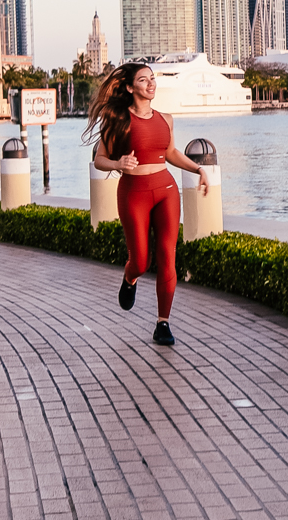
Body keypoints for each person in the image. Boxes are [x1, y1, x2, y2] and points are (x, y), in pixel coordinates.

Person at [87, 62, 210, 346]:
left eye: (152, 79)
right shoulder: (117, 119)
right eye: (144, 80)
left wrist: (198, 169)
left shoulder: (165, 119)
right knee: (141, 261)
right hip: (133, 193)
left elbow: (170, 153)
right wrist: (118, 163)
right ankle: (130, 279)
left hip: (166, 190)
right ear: (130, 88)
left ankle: (162, 323)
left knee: (168, 256)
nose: (151, 83)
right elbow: (99, 159)